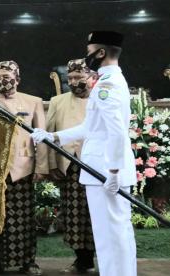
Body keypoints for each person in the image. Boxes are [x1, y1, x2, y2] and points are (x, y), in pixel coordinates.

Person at [31, 31, 137, 276]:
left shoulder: (107, 87)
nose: (86, 56)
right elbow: (90, 127)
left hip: (105, 172)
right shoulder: (108, 81)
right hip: (103, 170)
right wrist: (53, 136)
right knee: (112, 232)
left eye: (89, 52)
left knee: (112, 234)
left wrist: (113, 172)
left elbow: (117, 133)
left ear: (100, 53)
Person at [0, 60, 48, 276]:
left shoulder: (33, 101)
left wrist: (41, 167)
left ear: (17, 78)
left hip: (22, 169)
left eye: (7, 76)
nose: (2, 80)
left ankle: (28, 261)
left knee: (23, 217)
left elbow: (42, 138)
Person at [45, 58, 98, 273]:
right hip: (70, 166)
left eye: (80, 77)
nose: (75, 81)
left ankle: (103, 258)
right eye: (71, 77)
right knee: (74, 214)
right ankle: (82, 260)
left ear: (92, 77)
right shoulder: (57, 101)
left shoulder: (102, 99)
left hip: (97, 166)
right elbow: (49, 135)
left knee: (97, 213)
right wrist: (50, 165)